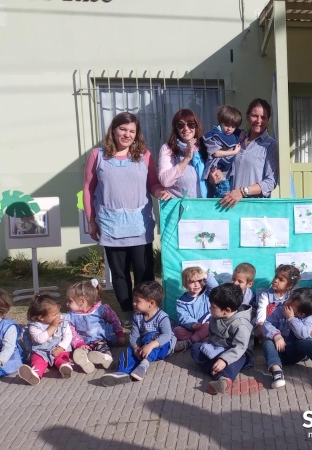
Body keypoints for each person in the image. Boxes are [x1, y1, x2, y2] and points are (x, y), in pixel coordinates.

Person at [83, 112, 171, 325]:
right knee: (119, 273)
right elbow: (88, 188)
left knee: (144, 272)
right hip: (111, 224)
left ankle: (146, 310)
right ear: (113, 130)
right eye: (123, 129)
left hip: (139, 224)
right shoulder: (98, 155)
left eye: (132, 131)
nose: (127, 134)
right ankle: (127, 313)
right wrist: (91, 220)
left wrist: (160, 192)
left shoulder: (144, 155)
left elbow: (153, 184)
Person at [101, 281, 176, 386]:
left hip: (161, 347)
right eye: (134, 301)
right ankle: (122, 372)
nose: (134, 304)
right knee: (129, 351)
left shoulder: (162, 317)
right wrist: (136, 347)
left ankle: (144, 365)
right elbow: (134, 336)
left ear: (151, 303)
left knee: (152, 334)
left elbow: (167, 336)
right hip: (144, 345)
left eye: (138, 301)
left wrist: (150, 346)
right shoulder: (137, 316)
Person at [190, 284, 254, 396]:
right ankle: (219, 373)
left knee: (237, 361)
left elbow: (240, 347)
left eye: (213, 306)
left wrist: (224, 360)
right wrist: (208, 342)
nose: (210, 308)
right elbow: (212, 332)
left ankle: (225, 380)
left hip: (236, 353)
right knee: (196, 349)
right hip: (217, 348)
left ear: (227, 310)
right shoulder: (216, 315)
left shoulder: (241, 325)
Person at [263, 288, 312, 389]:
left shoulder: (308, 318)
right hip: (279, 352)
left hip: (297, 353)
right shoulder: (280, 310)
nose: (287, 303)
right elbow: (267, 323)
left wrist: (291, 319)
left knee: (306, 341)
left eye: (291, 304)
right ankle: (276, 371)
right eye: (289, 299)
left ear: (301, 314)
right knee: (268, 341)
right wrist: (277, 336)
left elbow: (303, 334)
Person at [216, 98, 280, 208]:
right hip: (229, 204)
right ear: (247, 116)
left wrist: (242, 191)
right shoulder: (236, 139)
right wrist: (217, 175)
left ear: (268, 120)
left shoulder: (271, 145)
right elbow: (227, 168)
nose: (258, 121)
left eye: (263, 117)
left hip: (254, 207)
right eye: (255, 116)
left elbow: (270, 182)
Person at [66, 279, 124, 373]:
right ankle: (86, 362)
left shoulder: (100, 309)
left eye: (70, 301)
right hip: (83, 342)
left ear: (82, 301)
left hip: (99, 339)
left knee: (102, 346)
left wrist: (119, 333)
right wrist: (79, 344)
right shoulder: (71, 316)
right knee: (82, 352)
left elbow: (114, 319)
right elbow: (71, 331)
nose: (67, 304)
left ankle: (106, 358)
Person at [18, 294, 75, 385]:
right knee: (37, 360)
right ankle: (35, 374)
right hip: (41, 351)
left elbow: (68, 335)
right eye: (54, 314)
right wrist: (53, 326)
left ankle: (64, 367)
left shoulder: (62, 320)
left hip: (58, 348)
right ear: (41, 317)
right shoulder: (34, 326)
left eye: (59, 312)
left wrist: (62, 347)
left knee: (62, 357)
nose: (58, 316)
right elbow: (40, 339)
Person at [157, 109, 207, 198]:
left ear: (196, 126)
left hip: (202, 206)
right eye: (180, 125)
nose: (186, 128)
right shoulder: (168, 148)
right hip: (180, 207)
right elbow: (165, 180)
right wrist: (186, 158)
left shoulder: (204, 147)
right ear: (176, 129)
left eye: (191, 124)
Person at [173, 267, 219, 353]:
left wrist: (206, 276)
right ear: (185, 284)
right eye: (192, 282)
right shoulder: (181, 301)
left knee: (208, 326)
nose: (197, 284)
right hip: (191, 327)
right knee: (177, 331)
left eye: (199, 281)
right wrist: (193, 324)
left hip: (207, 323)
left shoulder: (208, 293)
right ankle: (201, 338)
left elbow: (216, 289)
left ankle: (189, 342)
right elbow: (184, 316)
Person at [203, 105, 244, 198]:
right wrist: (233, 152)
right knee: (222, 193)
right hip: (215, 170)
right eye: (227, 125)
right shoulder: (214, 135)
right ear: (220, 121)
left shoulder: (234, 134)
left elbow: (242, 134)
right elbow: (216, 153)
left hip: (227, 172)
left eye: (233, 127)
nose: (229, 129)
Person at [255, 264, 301, 337]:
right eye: (276, 277)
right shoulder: (266, 295)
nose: (276, 280)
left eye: (281, 280)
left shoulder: (291, 296)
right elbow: (262, 309)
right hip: (268, 322)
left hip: (284, 323)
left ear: (289, 286)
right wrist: (261, 323)